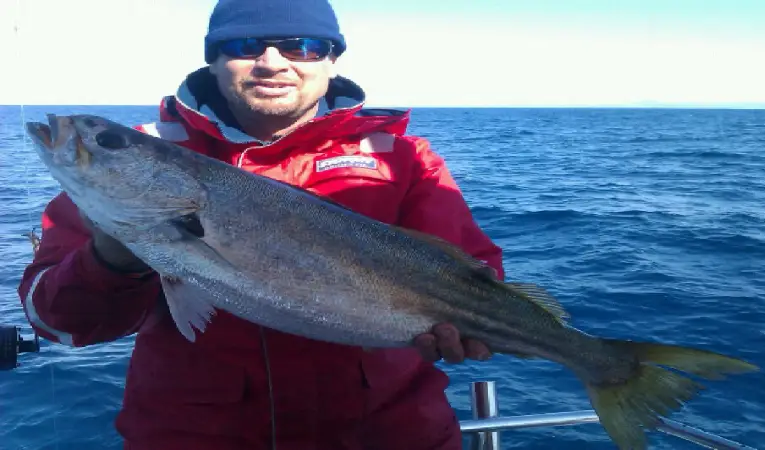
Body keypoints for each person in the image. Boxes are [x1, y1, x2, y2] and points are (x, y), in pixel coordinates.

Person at [17, 0, 505, 449]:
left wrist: (468, 323)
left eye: (303, 47)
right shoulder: (138, 163)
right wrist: (111, 258)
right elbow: (57, 321)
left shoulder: (403, 159)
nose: (272, 61)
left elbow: (476, 275)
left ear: (331, 61)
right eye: (245, 46)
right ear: (213, 59)